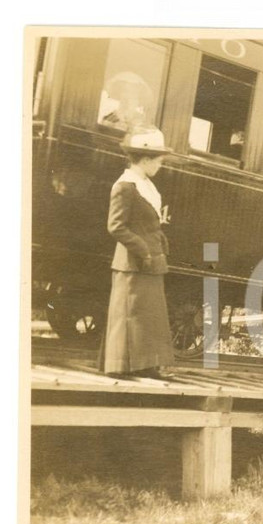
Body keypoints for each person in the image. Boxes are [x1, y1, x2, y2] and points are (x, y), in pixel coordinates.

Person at [101, 126, 175, 380]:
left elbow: (147, 223)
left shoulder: (145, 186)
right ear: (144, 159)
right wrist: (143, 250)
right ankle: (120, 366)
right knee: (129, 313)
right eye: (158, 161)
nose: (160, 166)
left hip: (151, 260)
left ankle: (146, 366)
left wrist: (159, 241)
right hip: (133, 261)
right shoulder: (125, 186)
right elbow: (116, 226)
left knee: (148, 314)